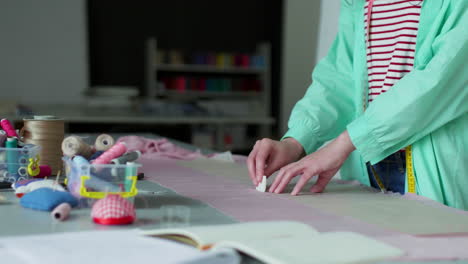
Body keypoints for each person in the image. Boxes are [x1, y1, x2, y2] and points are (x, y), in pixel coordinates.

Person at [247, 0, 468, 210]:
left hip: (436, 168)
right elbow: (340, 79)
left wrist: (346, 142)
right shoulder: (359, 3)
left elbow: (436, 84)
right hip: (366, 161)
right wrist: (296, 142)